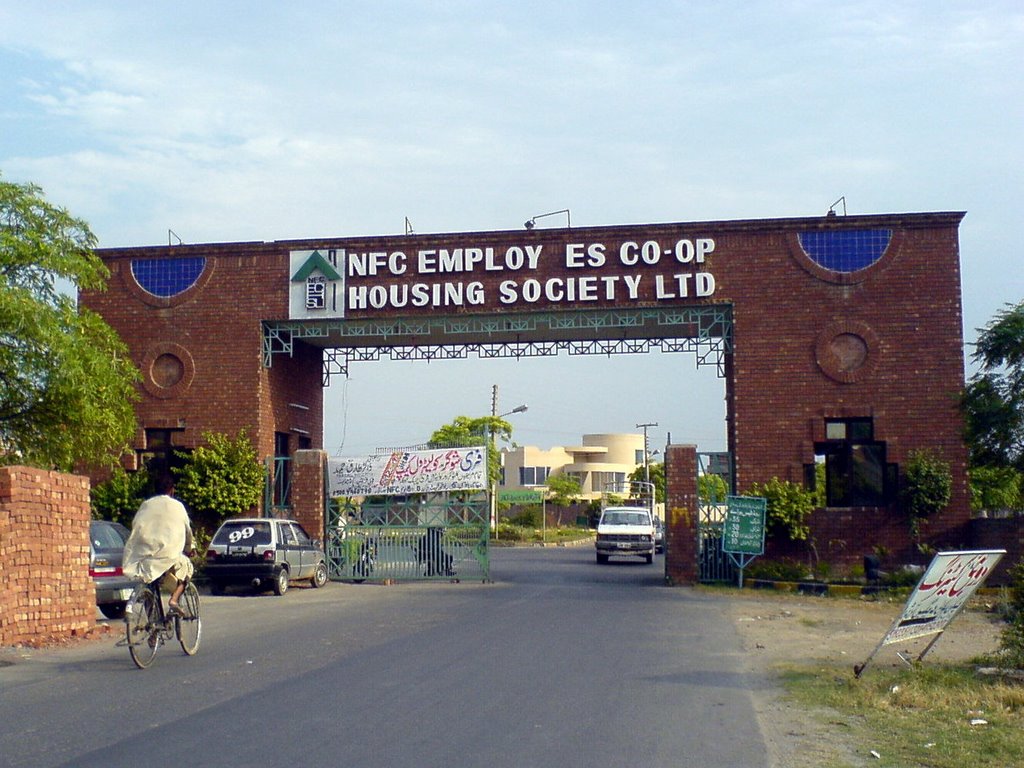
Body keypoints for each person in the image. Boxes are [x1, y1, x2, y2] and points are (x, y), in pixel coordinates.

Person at [122, 474, 195, 614]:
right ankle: (174, 600)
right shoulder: (177, 506)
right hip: (169, 555)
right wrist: (189, 548)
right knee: (187, 570)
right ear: (172, 490)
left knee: (148, 584)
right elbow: (187, 531)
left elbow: (136, 526)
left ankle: (152, 626)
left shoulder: (146, 505)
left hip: (145, 556)